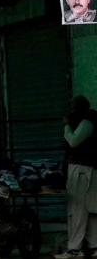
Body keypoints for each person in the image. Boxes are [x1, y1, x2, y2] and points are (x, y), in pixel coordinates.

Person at [55, 95, 97, 259]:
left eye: (71, 108)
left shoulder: (86, 123)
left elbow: (73, 141)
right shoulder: (90, 121)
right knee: (90, 210)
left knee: (78, 211)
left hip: (81, 172)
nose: (70, 112)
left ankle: (74, 249)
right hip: (87, 171)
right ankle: (93, 246)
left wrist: (66, 127)